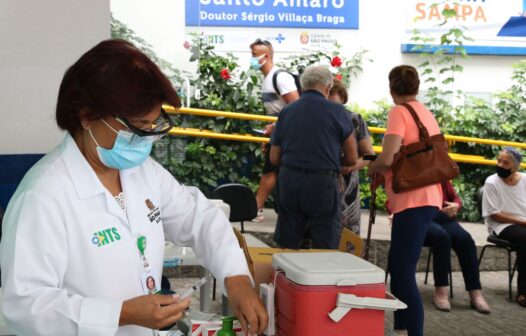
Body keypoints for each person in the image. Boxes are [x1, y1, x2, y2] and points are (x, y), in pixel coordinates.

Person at [0, 39, 268, 336]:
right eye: (137, 127)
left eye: (153, 127)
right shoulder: (43, 195)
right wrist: (121, 313)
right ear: (87, 115)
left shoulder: (142, 173)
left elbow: (199, 218)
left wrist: (237, 278)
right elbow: (26, 306)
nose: (145, 140)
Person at [368, 65, 443, 336]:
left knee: (402, 271)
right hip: (428, 195)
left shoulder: (399, 112)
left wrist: (373, 168)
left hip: (413, 198)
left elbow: (388, 158)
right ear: (417, 86)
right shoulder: (424, 112)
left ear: (391, 89)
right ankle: (400, 327)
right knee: (398, 264)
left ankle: (413, 332)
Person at [269, 65, 358, 249]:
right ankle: (320, 277)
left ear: (302, 86)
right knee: (325, 244)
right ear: (328, 87)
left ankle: (284, 276)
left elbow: (274, 157)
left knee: (287, 243)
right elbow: (351, 158)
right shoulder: (338, 112)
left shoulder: (287, 111)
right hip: (322, 184)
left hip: (289, 181)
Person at [249, 38, 300, 221]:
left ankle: (256, 209)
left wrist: (277, 127)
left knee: (270, 170)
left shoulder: (280, 77)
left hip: (286, 131)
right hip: (278, 131)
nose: (252, 59)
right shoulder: (267, 79)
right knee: (275, 170)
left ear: (266, 56)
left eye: (254, 55)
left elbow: (296, 107)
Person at [421, 181, 489, 313]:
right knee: (441, 238)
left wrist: (456, 204)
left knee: (466, 240)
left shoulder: (440, 173)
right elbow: (393, 199)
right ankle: (441, 290)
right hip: (421, 217)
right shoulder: (411, 169)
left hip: (443, 217)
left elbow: (454, 196)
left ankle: (475, 291)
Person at [328, 80, 374, 234]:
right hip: (321, 185)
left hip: (348, 190)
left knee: (347, 239)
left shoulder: (355, 120)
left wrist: (351, 167)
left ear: (343, 99)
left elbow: (370, 156)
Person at [482, 147, 526, 308]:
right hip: (501, 225)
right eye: (499, 160)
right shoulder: (492, 182)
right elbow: (494, 214)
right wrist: (522, 222)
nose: (500, 164)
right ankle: (523, 292)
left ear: (515, 167)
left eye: (505, 162)